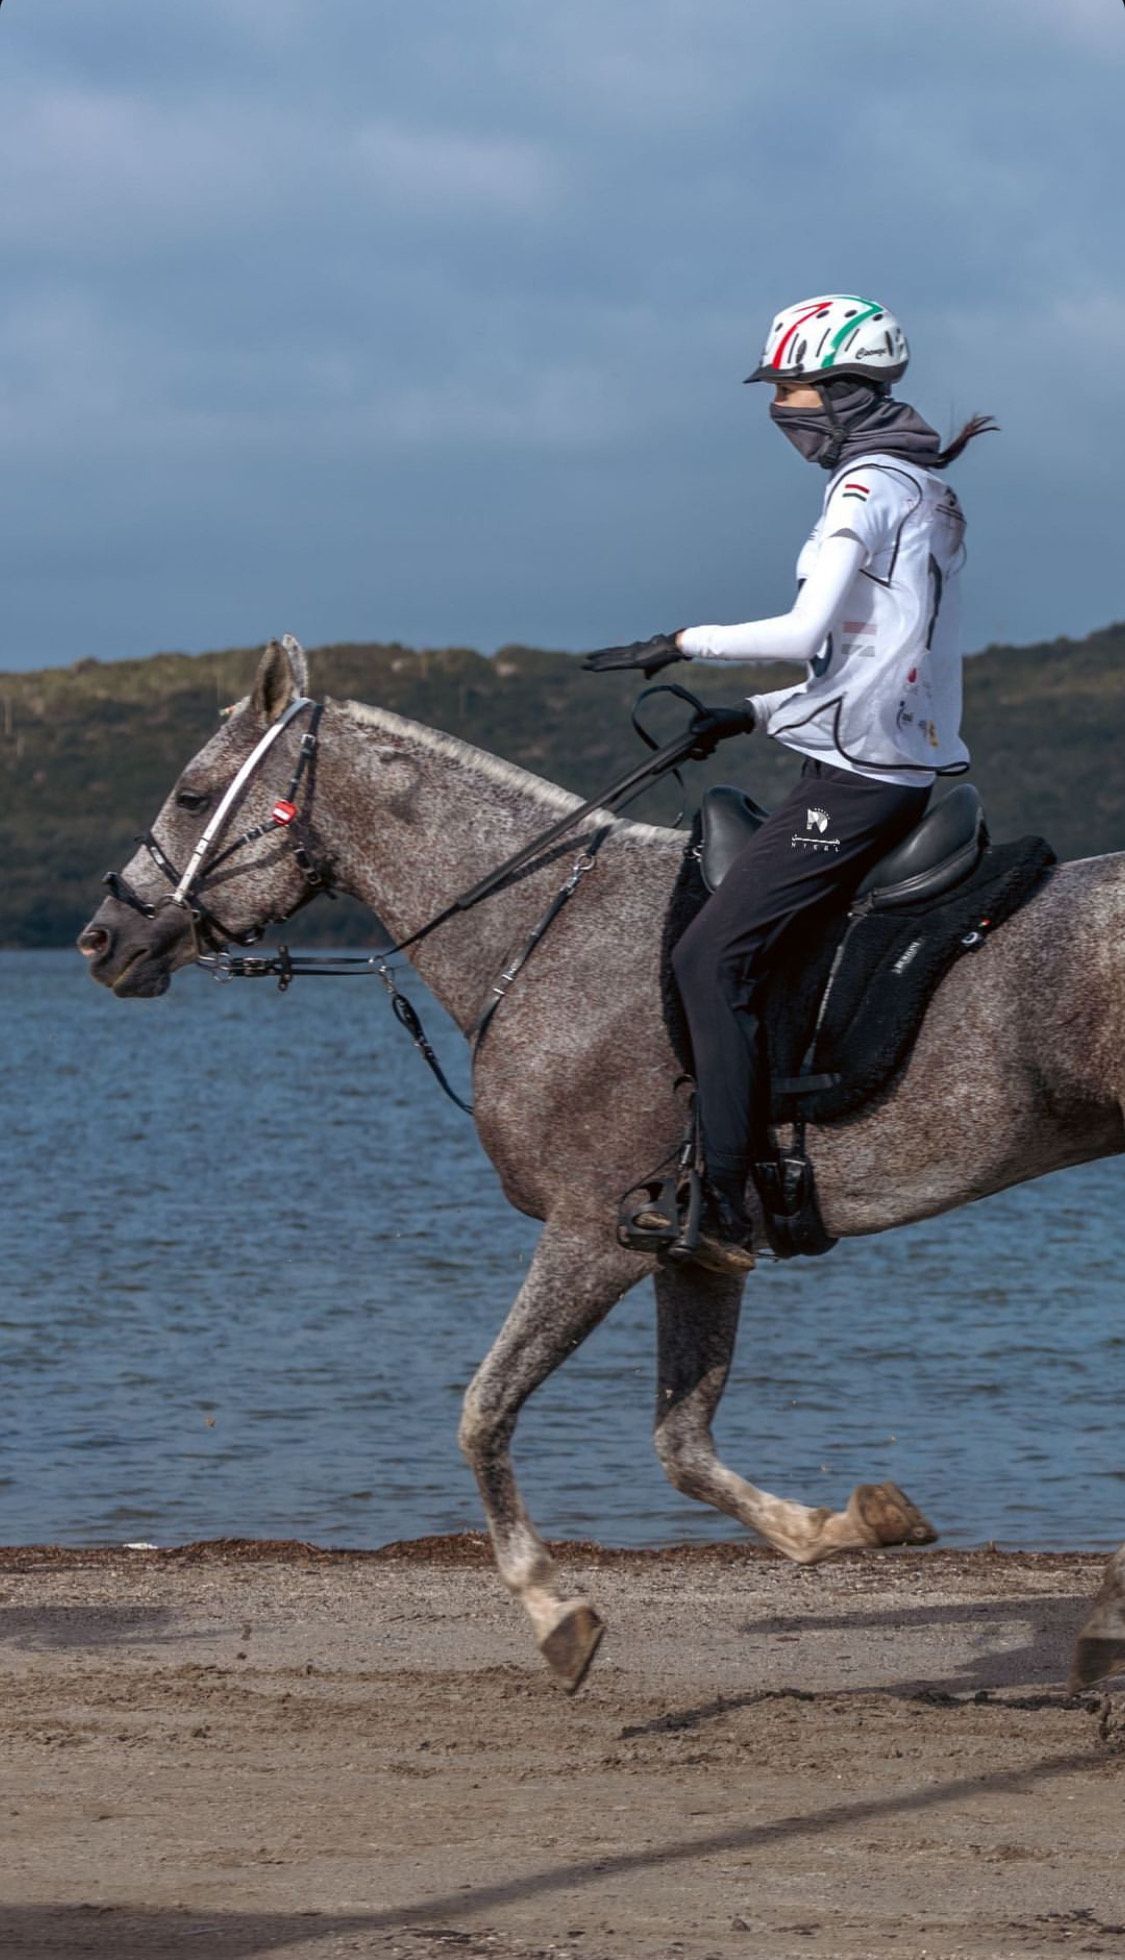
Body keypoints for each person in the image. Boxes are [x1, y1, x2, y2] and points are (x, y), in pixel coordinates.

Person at [584, 293, 997, 1273]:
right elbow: (870, 660)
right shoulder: (922, 485)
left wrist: (680, 643)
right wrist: (753, 715)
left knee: (703, 960)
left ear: (845, 392)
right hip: (877, 758)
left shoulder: (863, 491)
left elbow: (804, 634)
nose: (781, 409)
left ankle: (722, 1203)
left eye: (792, 388)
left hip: (860, 780)